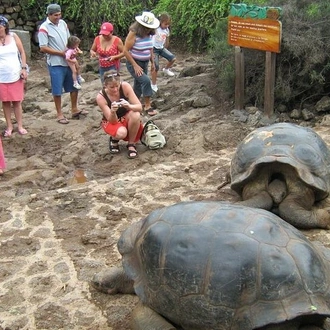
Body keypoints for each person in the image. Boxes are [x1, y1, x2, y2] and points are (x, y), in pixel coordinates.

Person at [38, 3, 88, 124]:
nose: (58, 17)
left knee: (74, 84)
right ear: (49, 15)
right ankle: (59, 114)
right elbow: (43, 48)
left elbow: (69, 40)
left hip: (68, 60)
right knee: (57, 88)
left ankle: (74, 108)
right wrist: (61, 53)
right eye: (55, 15)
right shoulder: (44, 28)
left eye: (59, 14)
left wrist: (73, 49)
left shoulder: (63, 24)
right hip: (56, 63)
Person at [96, 71, 143, 159]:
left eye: (117, 86)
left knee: (136, 114)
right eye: (111, 87)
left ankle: (131, 144)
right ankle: (114, 139)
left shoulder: (125, 86)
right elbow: (112, 121)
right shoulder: (101, 97)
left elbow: (139, 107)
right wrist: (113, 112)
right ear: (105, 85)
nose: (115, 90)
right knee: (122, 133)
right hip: (110, 120)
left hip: (125, 116)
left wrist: (129, 106)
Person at [123, 11, 159, 116]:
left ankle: (134, 104)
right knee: (146, 81)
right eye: (146, 27)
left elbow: (150, 48)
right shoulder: (133, 34)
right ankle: (147, 105)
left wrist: (153, 62)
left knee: (138, 84)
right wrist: (135, 65)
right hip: (134, 62)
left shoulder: (150, 35)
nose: (148, 29)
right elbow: (125, 51)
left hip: (145, 62)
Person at [0, 15, 28, 137]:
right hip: (1, 76)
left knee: (17, 101)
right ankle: (9, 126)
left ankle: (20, 125)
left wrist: (23, 68)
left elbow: (22, 52)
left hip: (15, 74)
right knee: (5, 102)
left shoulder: (13, 36)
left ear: (5, 26)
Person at [151, 12, 176, 93]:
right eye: (165, 24)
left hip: (161, 48)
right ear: (160, 22)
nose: (167, 26)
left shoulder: (167, 30)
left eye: (168, 24)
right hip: (154, 49)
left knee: (172, 58)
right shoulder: (155, 29)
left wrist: (166, 46)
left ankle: (166, 69)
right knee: (156, 67)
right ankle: (153, 84)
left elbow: (167, 39)